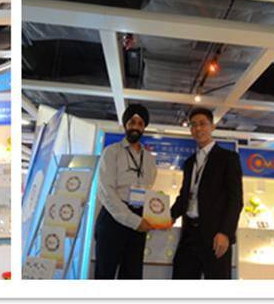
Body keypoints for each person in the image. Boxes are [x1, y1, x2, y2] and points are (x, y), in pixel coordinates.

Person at [171, 107, 243, 279]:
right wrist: (167, 216)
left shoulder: (228, 158)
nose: (198, 128)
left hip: (215, 236)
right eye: (193, 125)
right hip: (190, 234)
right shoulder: (189, 163)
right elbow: (184, 197)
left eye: (202, 124)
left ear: (212, 126)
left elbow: (235, 200)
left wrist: (225, 232)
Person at [94, 103, 157, 279]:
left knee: (132, 276)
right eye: (132, 122)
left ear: (144, 128)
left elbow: (149, 189)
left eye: (140, 123)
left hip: (138, 219)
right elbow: (107, 193)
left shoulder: (150, 159)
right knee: (105, 274)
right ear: (125, 125)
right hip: (113, 219)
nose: (136, 127)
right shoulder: (111, 152)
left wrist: (154, 215)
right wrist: (134, 221)